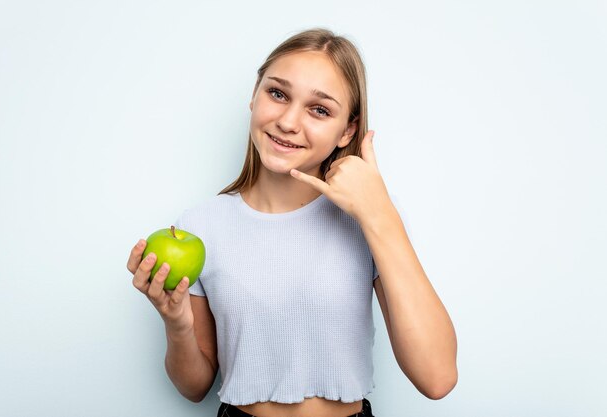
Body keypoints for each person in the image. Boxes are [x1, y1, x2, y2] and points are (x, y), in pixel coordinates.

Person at [126, 27, 458, 417]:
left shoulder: (371, 217)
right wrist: (176, 322)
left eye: (319, 110)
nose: (287, 121)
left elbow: (437, 378)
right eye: (278, 93)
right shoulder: (202, 225)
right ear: (255, 94)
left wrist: (379, 212)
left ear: (347, 130)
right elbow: (194, 387)